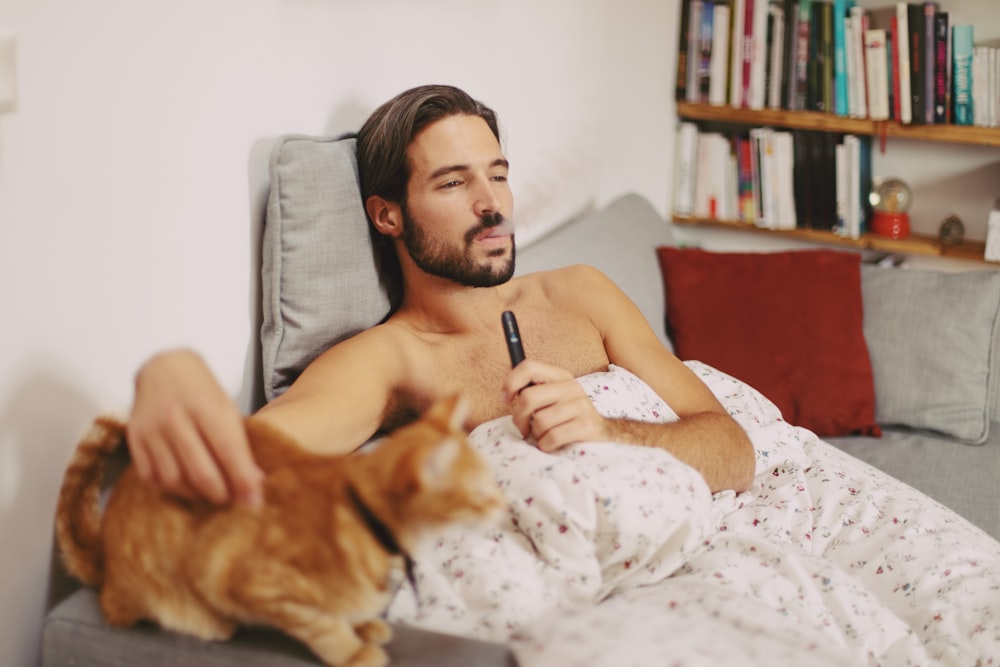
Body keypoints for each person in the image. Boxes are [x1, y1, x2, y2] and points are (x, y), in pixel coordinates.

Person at [126, 84, 755, 508]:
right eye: (453, 182)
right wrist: (168, 380)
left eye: (498, 175)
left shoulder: (581, 291)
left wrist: (607, 435)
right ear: (388, 216)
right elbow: (244, 467)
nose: (491, 205)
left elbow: (732, 450)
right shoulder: (389, 360)